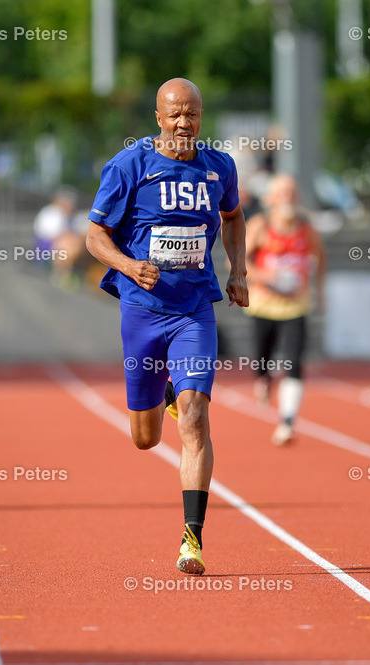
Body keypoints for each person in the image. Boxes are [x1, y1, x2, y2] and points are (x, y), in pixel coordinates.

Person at [85, 78, 248, 575]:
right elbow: (95, 236)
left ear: (202, 116)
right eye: (175, 114)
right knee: (145, 438)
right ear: (158, 116)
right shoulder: (129, 165)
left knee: (197, 417)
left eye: (193, 114)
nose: (184, 123)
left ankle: (192, 539)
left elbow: (234, 217)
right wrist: (129, 266)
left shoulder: (219, 166)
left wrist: (238, 270)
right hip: (142, 310)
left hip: (195, 307)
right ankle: (165, 400)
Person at [244, 175, 325, 446]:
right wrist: (265, 277)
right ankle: (263, 380)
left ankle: (288, 421)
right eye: (282, 193)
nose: (288, 197)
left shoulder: (305, 227)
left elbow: (320, 256)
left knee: (293, 361)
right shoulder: (260, 225)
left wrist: (319, 290)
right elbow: (242, 263)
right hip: (263, 305)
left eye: (292, 192)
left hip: (295, 305)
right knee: (263, 363)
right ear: (270, 198)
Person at [33, 186, 85, 288]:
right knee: (67, 244)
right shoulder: (51, 213)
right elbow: (51, 234)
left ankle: (67, 273)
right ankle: (61, 274)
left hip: (64, 244)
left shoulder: (72, 217)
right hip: (47, 245)